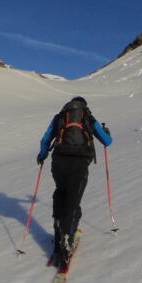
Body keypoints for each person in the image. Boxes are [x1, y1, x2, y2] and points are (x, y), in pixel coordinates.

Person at [36, 96, 112, 267]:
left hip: (58, 162)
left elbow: (45, 140)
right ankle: (67, 238)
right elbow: (107, 141)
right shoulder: (87, 116)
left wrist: (42, 155)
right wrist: (106, 132)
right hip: (79, 162)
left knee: (60, 194)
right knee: (73, 201)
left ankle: (57, 236)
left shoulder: (60, 116)